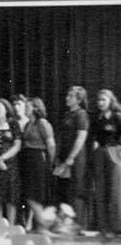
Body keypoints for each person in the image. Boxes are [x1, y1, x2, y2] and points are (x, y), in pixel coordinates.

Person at [54, 86, 89, 221]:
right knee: (64, 190)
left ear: (79, 100)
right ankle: (65, 223)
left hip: (75, 157)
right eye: (67, 96)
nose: (67, 98)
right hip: (64, 156)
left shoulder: (81, 114)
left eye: (71, 96)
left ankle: (77, 223)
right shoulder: (68, 114)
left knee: (75, 190)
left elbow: (81, 138)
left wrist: (70, 158)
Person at [19, 97, 55, 229]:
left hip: (38, 159)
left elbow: (51, 144)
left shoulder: (42, 123)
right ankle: (38, 225)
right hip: (28, 159)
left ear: (35, 108)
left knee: (35, 194)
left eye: (27, 106)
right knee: (29, 194)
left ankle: (42, 225)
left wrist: (50, 163)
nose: (25, 109)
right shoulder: (28, 124)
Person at [90, 89, 121, 234]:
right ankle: (103, 227)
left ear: (110, 100)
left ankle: (116, 226)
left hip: (114, 153)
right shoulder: (97, 118)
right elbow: (94, 137)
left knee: (114, 191)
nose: (101, 103)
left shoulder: (117, 117)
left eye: (104, 100)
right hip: (100, 154)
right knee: (100, 190)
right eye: (99, 100)